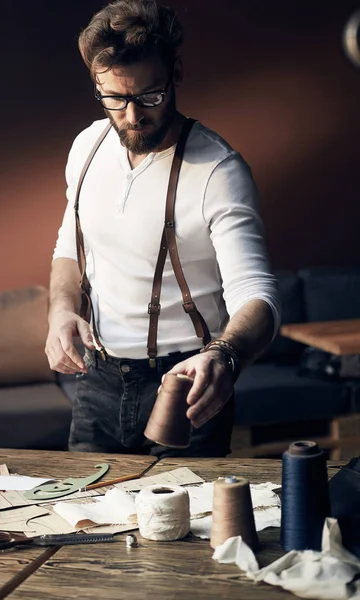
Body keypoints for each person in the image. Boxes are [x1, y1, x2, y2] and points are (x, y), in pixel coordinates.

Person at [45, 0, 280, 458]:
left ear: (175, 74)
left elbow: (259, 297)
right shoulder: (86, 148)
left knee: (185, 527)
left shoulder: (218, 170)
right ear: (97, 84)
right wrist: (60, 312)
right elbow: (70, 250)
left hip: (185, 383)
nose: (132, 116)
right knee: (80, 519)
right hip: (97, 381)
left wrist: (223, 355)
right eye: (115, 98)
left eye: (149, 96)